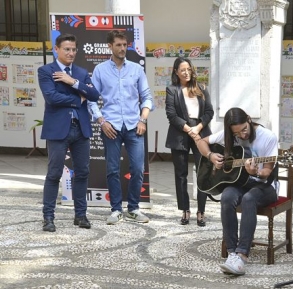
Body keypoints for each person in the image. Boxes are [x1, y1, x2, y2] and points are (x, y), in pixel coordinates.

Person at [196, 107, 278, 275]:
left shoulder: (268, 137)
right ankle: (232, 252)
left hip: (265, 186)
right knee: (227, 196)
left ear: (249, 119)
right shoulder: (229, 135)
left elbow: (267, 172)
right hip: (241, 183)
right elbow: (201, 142)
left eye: (244, 130)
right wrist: (211, 155)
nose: (242, 136)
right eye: (237, 134)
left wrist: (255, 171)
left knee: (249, 199)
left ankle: (242, 255)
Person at [89, 30, 154, 225]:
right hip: (111, 126)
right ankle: (116, 209)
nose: (123, 48)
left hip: (135, 125)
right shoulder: (100, 70)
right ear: (110, 46)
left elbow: (147, 97)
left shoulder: (136, 69)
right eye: (118, 45)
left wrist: (143, 120)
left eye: (125, 45)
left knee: (137, 168)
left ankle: (133, 208)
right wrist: (102, 121)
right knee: (112, 169)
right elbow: (92, 100)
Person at [38, 33, 101, 232]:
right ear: (56, 49)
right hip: (58, 130)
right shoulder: (46, 71)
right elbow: (51, 98)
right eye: (67, 49)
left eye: (74, 49)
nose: (71, 53)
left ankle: (80, 215)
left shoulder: (81, 73)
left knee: (82, 172)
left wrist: (72, 81)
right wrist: (77, 99)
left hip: (80, 129)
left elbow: (94, 94)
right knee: (54, 173)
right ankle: (48, 217)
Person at [165, 57, 214, 226]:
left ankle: (201, 211)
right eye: (182, 70)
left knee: (203, 172)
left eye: (189, 69)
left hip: (200, 131)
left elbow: (209, 112)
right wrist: (189, 129)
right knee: (181, 175)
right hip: (180, 133)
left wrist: (198, 128)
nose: (186, 72)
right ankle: (185, 210)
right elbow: (171, 115)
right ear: (176, 72)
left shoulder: (202, 88)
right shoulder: (172, 90)